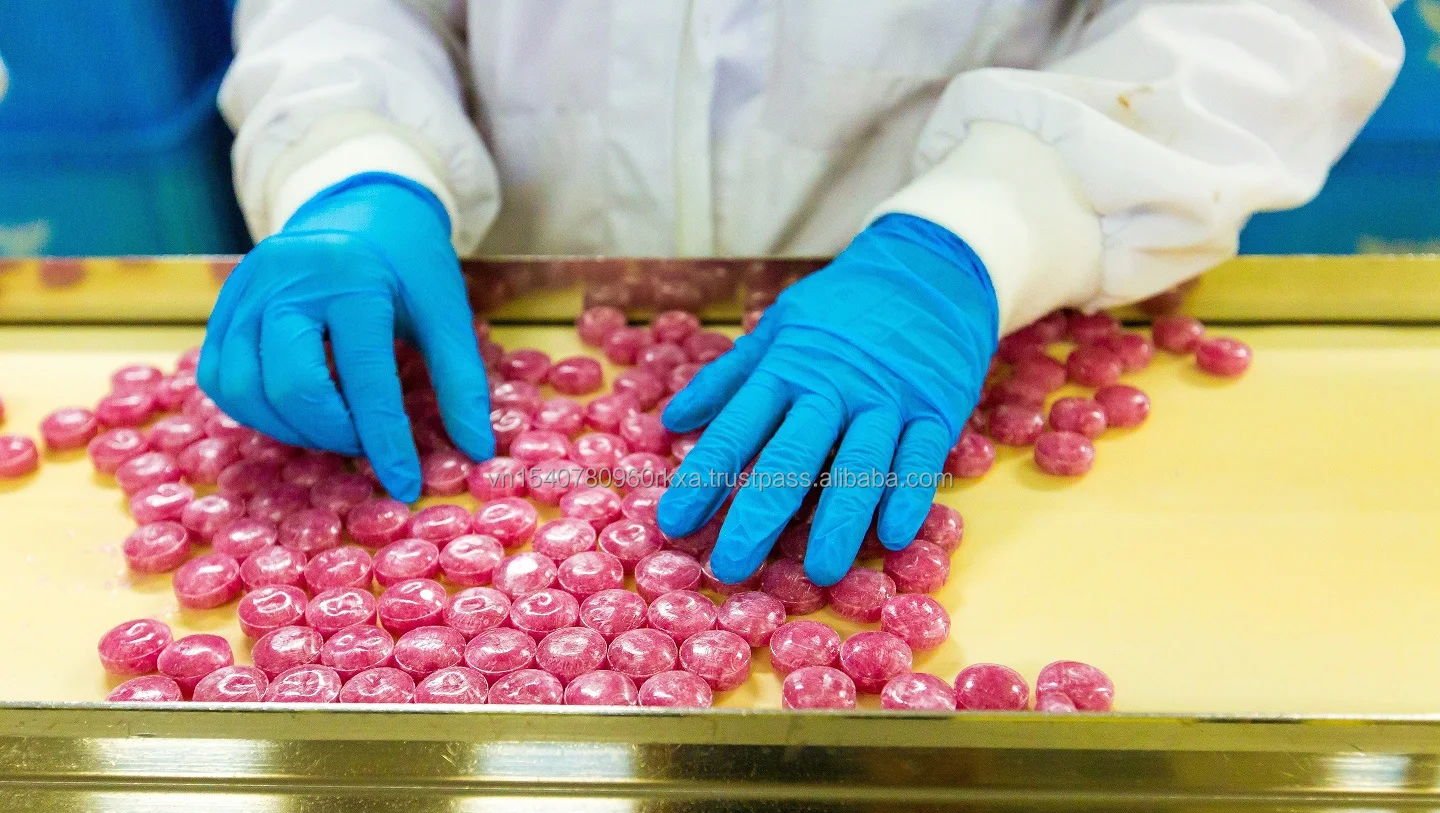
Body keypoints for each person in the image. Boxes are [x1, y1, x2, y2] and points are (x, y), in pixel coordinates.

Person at [203, 0, 1403, 586]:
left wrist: (990, 226)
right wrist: (356, 159)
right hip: (522, 327)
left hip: (977, 325)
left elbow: (1267, 24)